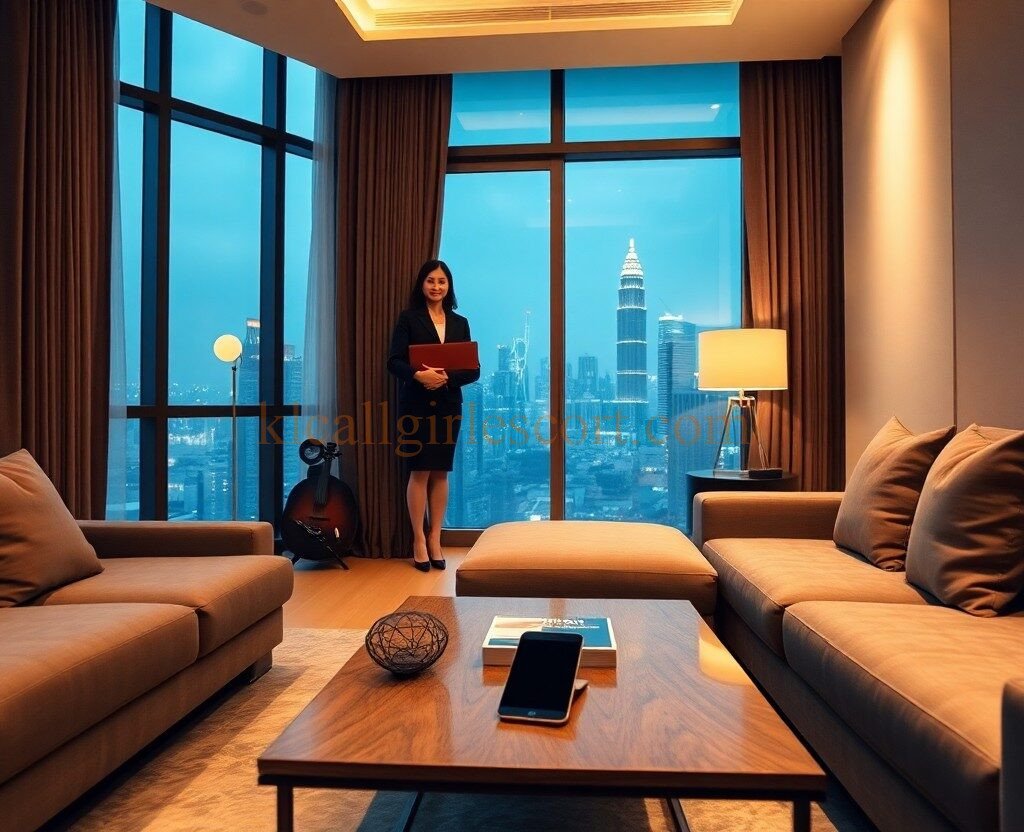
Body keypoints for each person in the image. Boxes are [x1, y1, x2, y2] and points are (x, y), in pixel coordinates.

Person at [387, 259, 479, 571]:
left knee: (441, 472)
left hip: (448, 405)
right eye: (430, 281)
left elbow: (472, 369)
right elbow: (394, 362)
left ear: (449, 286)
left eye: (441, 281)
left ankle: (435, 537)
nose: (436, 287)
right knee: (419, 472)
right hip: (415, 405)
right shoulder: (409, 319)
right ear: (422, 285)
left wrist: (446, 379)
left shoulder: (460, 323)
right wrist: (418, 376)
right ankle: (417, 540)